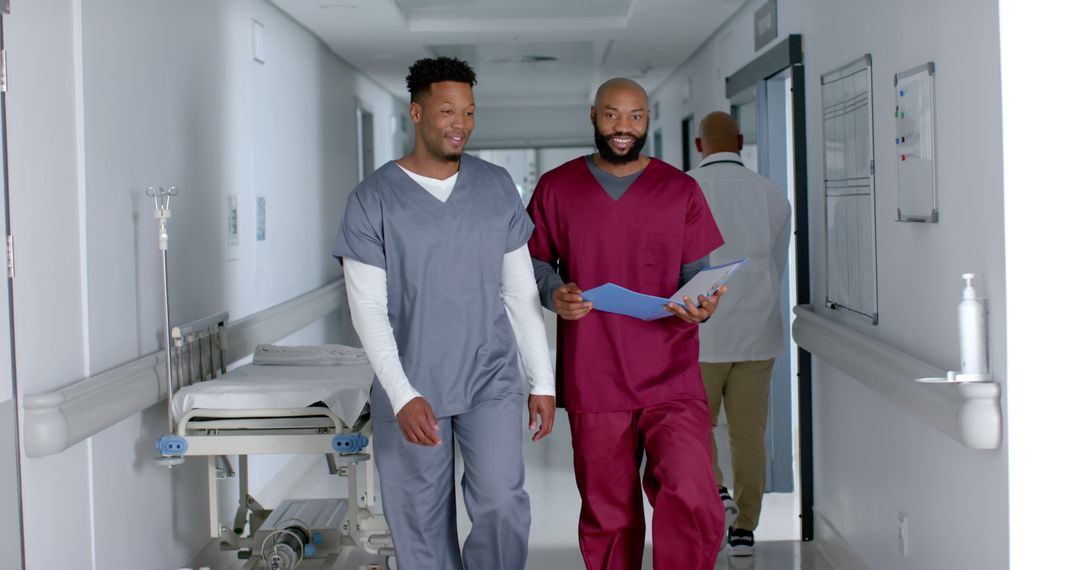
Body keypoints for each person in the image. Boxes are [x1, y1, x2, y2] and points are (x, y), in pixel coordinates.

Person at [331, 57, 556, 570]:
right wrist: (402, 393)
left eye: (470, 112)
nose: (461, 123)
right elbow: (366, 307)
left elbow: (519, 292)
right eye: (448, 110)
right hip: (413, 382)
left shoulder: (497, 186)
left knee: (502, 506)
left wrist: (541, 379)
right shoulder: (372, 200)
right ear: (416, 112)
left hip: (489, 377)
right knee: (420, 526)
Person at [527, 78, 727, 570]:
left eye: (635, 116)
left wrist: (702, 304)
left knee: (693, 493)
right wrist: (554, 292)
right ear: (593, 115)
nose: (623, 127)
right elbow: (530, 264)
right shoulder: (557, 187)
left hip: (671, 374)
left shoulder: (681, 189)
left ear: (647, 121)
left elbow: (696, 279)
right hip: (595, 375)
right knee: (608, 514)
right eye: (612, 115)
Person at [687, 111, 792, 557]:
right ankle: (745, 528)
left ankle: (716, 493)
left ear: (698, 146)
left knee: (697, 427)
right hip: (757, 333)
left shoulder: (684, 188)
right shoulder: (771, 194)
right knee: (749, 434)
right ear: (742, 141)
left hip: (702, 334)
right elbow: (778, 263)